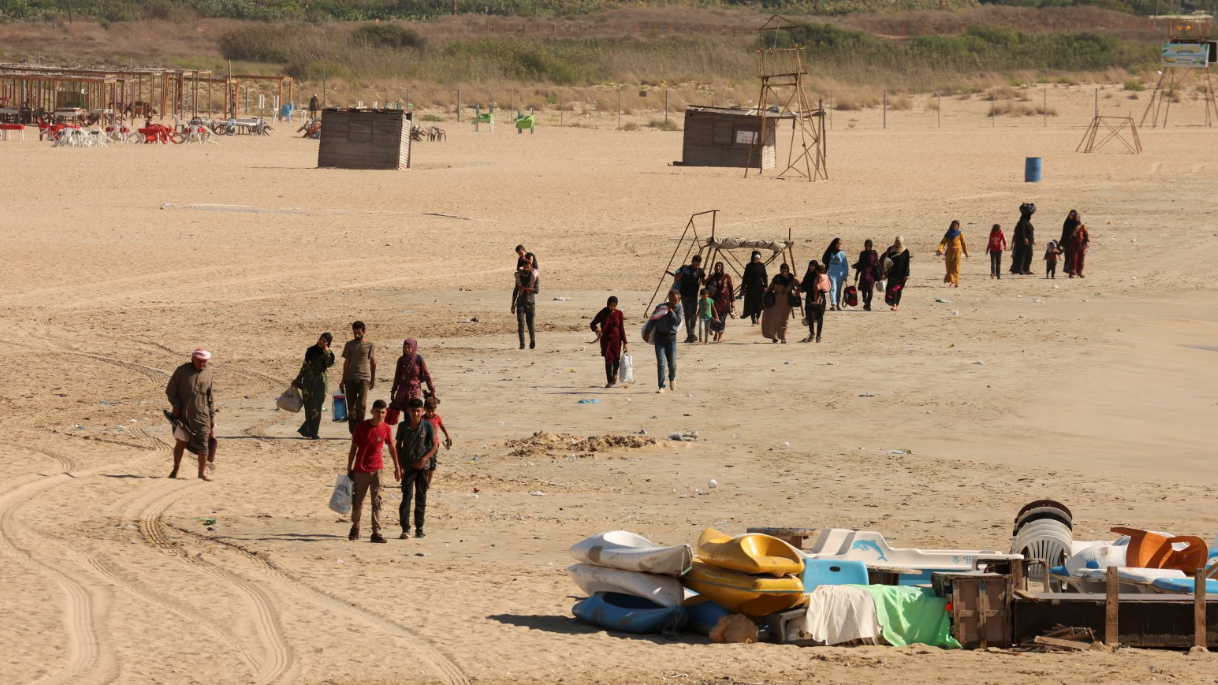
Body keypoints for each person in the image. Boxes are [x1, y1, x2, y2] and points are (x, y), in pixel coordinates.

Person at [346, 399, 400, 544]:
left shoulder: (386, 428)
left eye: (383, 412)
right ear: (372, 412)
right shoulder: (361, 427)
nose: (380, 415)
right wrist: (349, 467)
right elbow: (354, 448)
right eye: (378, 412)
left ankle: (376, 531)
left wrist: (397, 467)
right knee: (358, 502)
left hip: (377, 470)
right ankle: (355, 526)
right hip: (361, 470)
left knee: (377, 502)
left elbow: (391, 448)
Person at [165, 348, 215, 481]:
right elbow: (170, 390)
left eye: (204, 361)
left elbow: (210, 397)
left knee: (204, 443)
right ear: (192, 358)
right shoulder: (181, 371)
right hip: (183, 415)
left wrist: (212, 415)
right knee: (181, 442)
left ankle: (202, 473)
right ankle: (176, 469)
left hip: (202, 415)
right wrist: (176, 405)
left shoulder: (208, 374)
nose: (202, 364)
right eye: (199, 361)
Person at [396, 397, 437, 539]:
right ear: (408, 411)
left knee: (421, 497)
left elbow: (435, 445)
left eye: (418, 411)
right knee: (406, 497)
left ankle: (419, 528)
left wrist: (424, 459)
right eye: (413, 410)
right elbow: (397, 446)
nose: (416, 413)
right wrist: (399, 466)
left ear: (423, 411)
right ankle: (405, 528)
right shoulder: (403, 426)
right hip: (408, 466)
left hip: (423, 466)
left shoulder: (427, 426)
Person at [292, 332, 334, 440]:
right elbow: (304, 366)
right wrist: (298, 379)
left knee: (316, 407)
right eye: (320, 339)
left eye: (324, 341)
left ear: (328, 343)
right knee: (308, 406)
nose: (321, 342)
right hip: (307, 382)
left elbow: (329, 364)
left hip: (320, 383)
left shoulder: (329, 353)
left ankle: (314, 432)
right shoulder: (310, 350)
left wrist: (326, 352)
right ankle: (309, 430)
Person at [340, 321, 376, 435]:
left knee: (361, 405)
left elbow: (373, 363)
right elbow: (346, 363)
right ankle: (354, 431)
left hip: (364, 379)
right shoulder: (349, 345)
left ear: (363, 331)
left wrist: (373, 379)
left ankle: (361, 429)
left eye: (358, 333)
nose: (356, 335)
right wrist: (342, 380)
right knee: (351, 406)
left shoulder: (370, 345)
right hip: (350, 379)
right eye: (354, 332)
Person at [644, 290, 682, 393]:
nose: (673, 302)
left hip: (671, 338)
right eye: (671, 299)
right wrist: (647, 331)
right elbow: (653, 319)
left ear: (678, 299)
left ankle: (672, 378)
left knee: (672, 363)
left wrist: (671, 312)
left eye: (675, 300)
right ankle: (661, 386)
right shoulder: (661, 306)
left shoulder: (679, 308)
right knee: (661, 362)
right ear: (668, 298)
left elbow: (677, 322)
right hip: (659, 337)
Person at [590, 296, 628, 387]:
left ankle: (614, 374)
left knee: (616, 359)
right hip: (606, 340)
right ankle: (609, 381)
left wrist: (625, 342)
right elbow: (592, 323)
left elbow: (621, 328)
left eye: (614, 305)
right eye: (611, 305)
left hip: (616, 340)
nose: (613, 307)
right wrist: (596, 330)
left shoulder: (619, 313)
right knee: (608, 359)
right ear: (608, 304)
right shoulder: (603, 313)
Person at [390, 338, 436, 411]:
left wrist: (432, 390)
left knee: (414, 409)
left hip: (415, 389)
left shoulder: (419, 359)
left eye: (409, 347)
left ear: (413, 347)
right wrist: (393, 391)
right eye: (405, 348)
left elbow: (426, 375)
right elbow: (397, 376)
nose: (407, 349)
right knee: (406, 411)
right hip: (403, 390)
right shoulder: (401, 360)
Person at [761, 263, 798, 344]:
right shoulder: (777, 278)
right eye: (782, 271)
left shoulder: (791, 278)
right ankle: (774, 337)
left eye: (786, 271)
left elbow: (800, 285)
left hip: (787, 303)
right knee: (774, 319)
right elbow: (770, 288)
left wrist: (797, 292)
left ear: (788, 271)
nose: (784, 273)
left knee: (784, 320)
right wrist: (765, 297)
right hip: (776, 302)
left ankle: (783, 337)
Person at [674, 255, 706, 343]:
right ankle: (690, 335)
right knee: (687, 315)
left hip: (693, 296)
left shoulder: (700, 271)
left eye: (699, 265)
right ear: (692, 262)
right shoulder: (685, 268)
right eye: (696, 264)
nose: (697, 266)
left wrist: (710, 277)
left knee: (692, 315)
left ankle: (691, 334)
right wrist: (683, 271)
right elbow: (676, 278)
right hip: (684, 295)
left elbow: (704, 282)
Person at [423, 396, 450, 486]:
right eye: (428, 411)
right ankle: (422, 480)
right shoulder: (422, 419)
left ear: (435, 409)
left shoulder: (437, 417)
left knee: (432, 463)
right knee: (424, 463)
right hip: (423, 445)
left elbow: (442, 426)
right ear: (424, 409)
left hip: (435, 445)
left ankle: (428, 483)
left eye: (432, 411)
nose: (430, 413)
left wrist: (447, 436)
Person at [800, 261, 830, 343]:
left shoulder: (820, 277)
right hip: (809, 299)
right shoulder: (808, 276)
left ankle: (818, 336)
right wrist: (799, 288)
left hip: (820, 300)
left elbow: (824, 287)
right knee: (810, 318)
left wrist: (818, 298)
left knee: (820, 318)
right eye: (810, 266)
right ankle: (812, 334)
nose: (811, 268)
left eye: (813, 266)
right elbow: (803, 287)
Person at [705, 262, 734, 343]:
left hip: (725, 301)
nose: (718, 268)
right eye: (716, 266)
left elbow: (731, 289)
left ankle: (720, 335)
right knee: (715, 318)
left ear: (722, 267)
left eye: (719, 266)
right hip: (714, 301)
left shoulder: (726, 276)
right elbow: (705, 285)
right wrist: (710, 276)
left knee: (722, 318)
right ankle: (716, 333)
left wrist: (733, 301)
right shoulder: (713, 277)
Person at [511, 262, 538, 350]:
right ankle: (522, 344)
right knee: (521, 324)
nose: (526, 269)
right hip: (520, 303)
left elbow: (536, 290)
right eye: (524, 267)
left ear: (530, 268)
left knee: (530, 324)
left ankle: (532, 341)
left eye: (527, 267)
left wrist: (525, 288)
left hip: (530, 303)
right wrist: (512, 305)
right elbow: (515, 291)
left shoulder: (535, 277)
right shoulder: (519, 277)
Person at [936, 220, 970, 288]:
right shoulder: (948, 234)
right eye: (954, 225)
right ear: (951, 226)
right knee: (949, 267)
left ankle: (954, 282)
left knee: (956, 267)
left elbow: (964, 244)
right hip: (949, 252)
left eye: (956, 225)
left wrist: (967, 254)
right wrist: (940, 250)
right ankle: (953, 281)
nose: (955, 226)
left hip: (957, 252)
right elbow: (943, 243)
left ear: (958, 226)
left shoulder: (960, 233)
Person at [883, 236, 912, 311]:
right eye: (896, 242)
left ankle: (895, 305)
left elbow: (907, 264)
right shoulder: (890, 249)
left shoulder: (905, 251)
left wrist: (906, 274)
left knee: (897, 289)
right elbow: (887, 262)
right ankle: (894, 304)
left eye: (898, 242)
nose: (897, 243)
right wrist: (886, 273)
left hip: (901, 274)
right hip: (892, 272)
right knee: (890, 289)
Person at [740, 251, 768, 325]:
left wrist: (765, 285)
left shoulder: (761, 266)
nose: (756, 260)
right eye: (755, 258)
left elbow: (764, 276)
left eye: (758, 258)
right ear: (753, 257)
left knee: (759, 304)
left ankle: (758, 317)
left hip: (759, 287)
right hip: (750, 287)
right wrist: (743, 287)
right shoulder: (749, 266)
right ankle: (753, 320)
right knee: (751, 304)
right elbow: (745, 277)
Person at [852, 240, 881, 311]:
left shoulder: (874, 253)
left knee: (870, 289)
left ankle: (868, 304)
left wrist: (882, 273)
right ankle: (865, 302)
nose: (867, 247)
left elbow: (878, 263)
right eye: (866, 246)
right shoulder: (862, 253)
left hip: (872, 274)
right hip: (864, 273)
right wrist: (856, 275)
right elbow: (860, 264)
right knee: (864, 290)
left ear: (871, 246)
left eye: (868, 246)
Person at [822, 239, 850, 310]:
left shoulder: (842, 254)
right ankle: (833, 304)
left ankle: (838, 304)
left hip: (840, 275)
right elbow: (824, 259)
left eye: (840, 244)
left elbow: (845, 265)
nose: (838, 245)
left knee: (838, 289)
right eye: (837, 243)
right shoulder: (830, 252)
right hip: (832, 274)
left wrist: (845, 275)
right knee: (833, 288)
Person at [1011, 202, 1036, 275]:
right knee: (1022, 255)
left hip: (1029, 243)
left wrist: (1033, 240)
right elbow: (1021, 231)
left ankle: (1026, 269)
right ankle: (1020, 270)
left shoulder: (1027, 222)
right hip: (1022, 243)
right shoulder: (1022, 222)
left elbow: (1030, 231)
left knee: (1029, 255)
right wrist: (1024, 238)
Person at [1060, 210, 1080, 276]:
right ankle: (1070, 271)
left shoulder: (1078, 224)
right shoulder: (1067, 223)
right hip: (1067, 243)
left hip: (1076, 244)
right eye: (1070, 214)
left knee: (1076, 257)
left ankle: (1076, 271)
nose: (1071, 216)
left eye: (1073, 215)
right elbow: (1064, 234)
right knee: (1068, 257)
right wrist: (1063, 245)